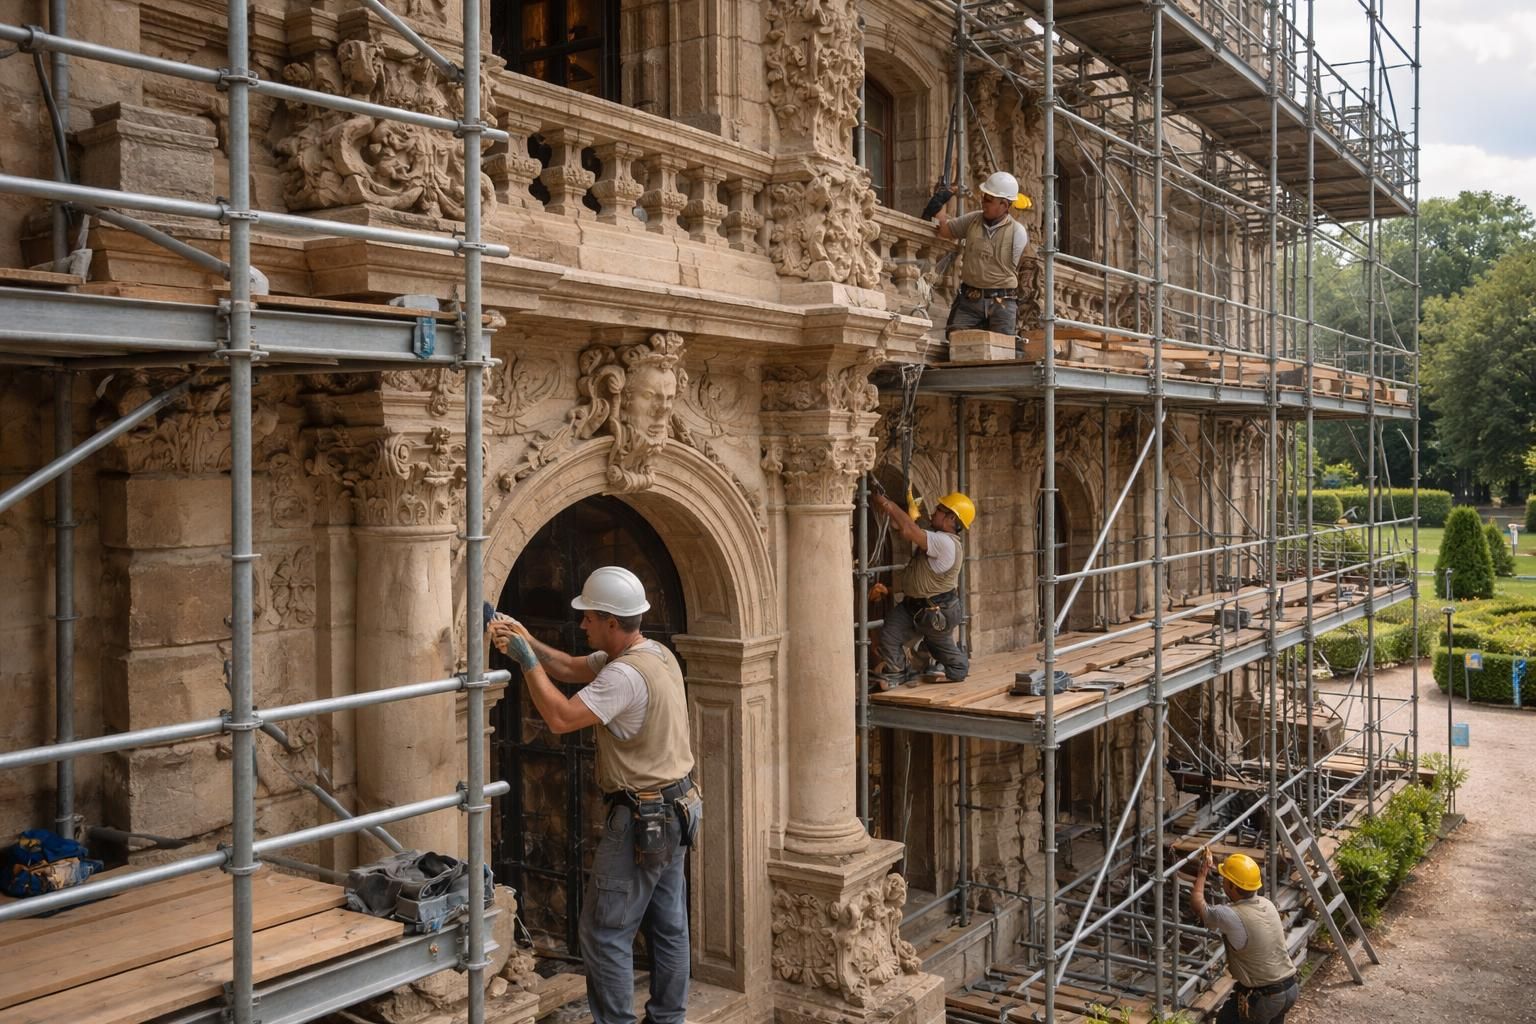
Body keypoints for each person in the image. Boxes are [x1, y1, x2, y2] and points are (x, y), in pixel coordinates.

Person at [489, 566, 700, 1024]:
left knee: (605, 934)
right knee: (668, 927)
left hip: (644, 820)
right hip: (677, 809)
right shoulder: (654, 653)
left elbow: (562, 718)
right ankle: (669, 1019)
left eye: (588, 617)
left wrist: (525, 662)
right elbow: (566, 666)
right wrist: (525, 638)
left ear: (610, 621)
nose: (581, 624)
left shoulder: (623, 678)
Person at [871, 489, 976, 688]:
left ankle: (957, 669)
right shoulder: (938, 538)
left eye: (939, 510)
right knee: (889, 636)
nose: (933, 512)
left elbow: (909, 530)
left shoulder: (945, 542)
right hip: (915, 607)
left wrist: (887, 504)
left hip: (936, 611)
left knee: (941, 647)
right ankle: (899, 671)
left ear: (951, 518)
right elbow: (918, 578)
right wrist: (890, 590)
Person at [1191, 850, 1299, 1024]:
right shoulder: (1267, 904)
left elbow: (1198, 905)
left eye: (1225, 879)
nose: (1222, 882)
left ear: (1233, 886)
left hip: (1265, 997)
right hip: (1289, 989)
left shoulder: (1230, 915)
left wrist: (1202, 873)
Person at [934, 170, 1031, 338]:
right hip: (969, 301)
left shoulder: (1017, 232)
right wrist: (940, 202)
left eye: (989, 200)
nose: (983, 203)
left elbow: (1017, 265)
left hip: (1002, 303)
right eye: (984, 197)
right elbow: (945, 230)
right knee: (956, 342)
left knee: (1003, 353)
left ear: (1004, 205)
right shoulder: (972, 220)